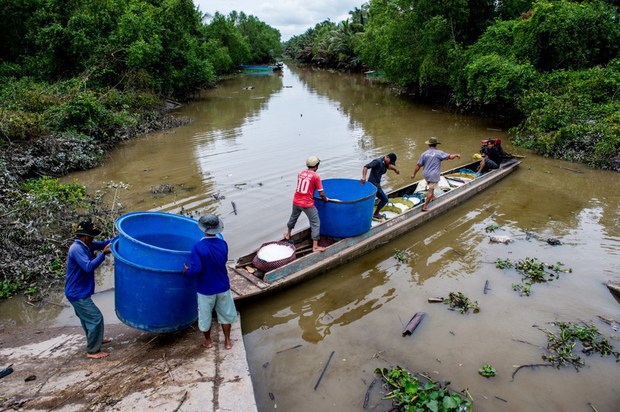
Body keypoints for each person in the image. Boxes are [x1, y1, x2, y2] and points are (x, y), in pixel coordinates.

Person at [183, 214, 237, 350]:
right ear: (217, 229)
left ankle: (208, 342)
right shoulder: (223, 244)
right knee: (225, 315)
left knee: (205, 316)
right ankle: (228, 342)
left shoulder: (197, 247)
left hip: (205, 289)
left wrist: (186, 271)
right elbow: (222, 261)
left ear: (203, 229)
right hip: (223, 286)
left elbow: (196, 270)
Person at [65, 221, 115, 359]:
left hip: (79, 291)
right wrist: (103, 254)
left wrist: (120, 238)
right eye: (91, 236)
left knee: (86, 318)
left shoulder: (86, 245)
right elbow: (88, 267)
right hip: (77, 293)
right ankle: (93, 351)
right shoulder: (76, 249)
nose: (93, 238)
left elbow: (104, 242)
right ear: (85, 236)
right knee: (95, 318)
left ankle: (96, 339)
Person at [285, 156, 329, 252]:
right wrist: (325, 199)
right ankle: (315, 246)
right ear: (316, 166)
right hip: (307, 204)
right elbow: (321, 193)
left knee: (293, 217)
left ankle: (288, 233)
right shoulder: (316, 176)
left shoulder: (300, 173)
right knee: (315, 222)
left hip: (296, 201)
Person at [411, 137, 461, 211]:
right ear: (436, 145)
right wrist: (456, 155)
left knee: (431, 185)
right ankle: (425, 206)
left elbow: (418, 165)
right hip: (433, 174)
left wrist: (414, 174)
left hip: (426, 174)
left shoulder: (424, 154)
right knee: (430, 190)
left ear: (429, 145)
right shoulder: (439, 153)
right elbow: (450, 157)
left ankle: (433, 196)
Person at [361, 153, 400, 219]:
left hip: (377, 184)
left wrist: (395, 170)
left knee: (369, 200)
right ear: (387, 157)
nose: (390, 164)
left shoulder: (385, 163)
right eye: (390, 162)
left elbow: (389, 167)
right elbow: (366, 167)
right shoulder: (377, 162)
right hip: (373, 185)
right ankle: (376, 214)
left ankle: (366, 211)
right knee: (385, 199)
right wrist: (364, 177)